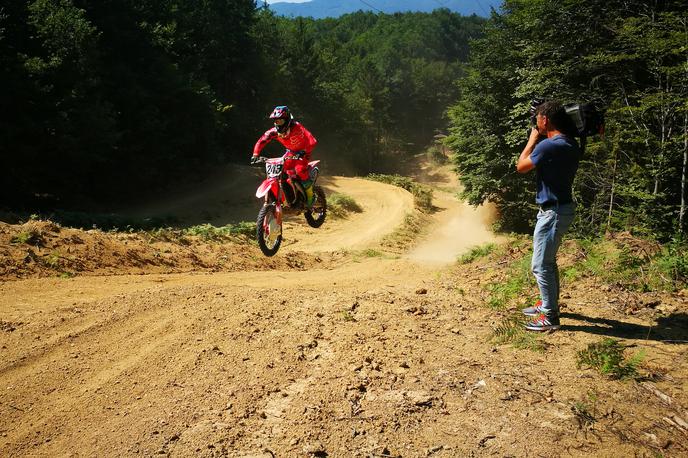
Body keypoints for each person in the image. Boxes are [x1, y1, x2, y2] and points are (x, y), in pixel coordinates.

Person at [516, 100, 581, 332]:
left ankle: (550, 316)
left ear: (545, 120)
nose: (536, 122)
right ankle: (546, 305)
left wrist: (532, 140)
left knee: (540, 265)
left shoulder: (548, 146)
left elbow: (521, 166)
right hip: (560, 209)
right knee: (548, 262)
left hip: (552, 212)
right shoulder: (569, 143)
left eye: (538, 118)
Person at [251, 106, 318, 207]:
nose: (278, 124)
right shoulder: (274, 132)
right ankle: (289, 197)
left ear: (287, 120)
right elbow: (262, 140)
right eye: (276, 121)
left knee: (300, 171)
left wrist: (304, 151)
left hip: (303, 152)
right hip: (291, 153)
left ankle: (310, 196)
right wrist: (255, 154)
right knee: (281, 172)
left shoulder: (297, 127)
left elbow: (312, 141)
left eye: (280, 121)